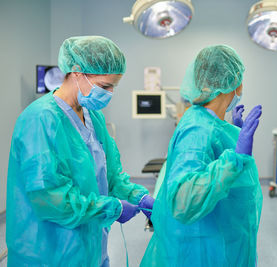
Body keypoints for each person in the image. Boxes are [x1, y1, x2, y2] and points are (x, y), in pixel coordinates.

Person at [6, 36, 154, 266]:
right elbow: (49, 198)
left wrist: (139, 196)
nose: (110, 93)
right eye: (105, 86)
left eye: (114, 86)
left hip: (90, 247)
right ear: (76, 72)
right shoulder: (40, 120)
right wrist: (112, 208)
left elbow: (111, 175)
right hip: (48, 252)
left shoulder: (93, 117)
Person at [141, 45, 263, 266]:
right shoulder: (198, 129)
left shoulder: (207, 122)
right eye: (239, 78)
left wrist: (234, 136)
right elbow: (184, 201)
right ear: (232, 82)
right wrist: (235, 160)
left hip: (217, 234)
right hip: (202, 247)